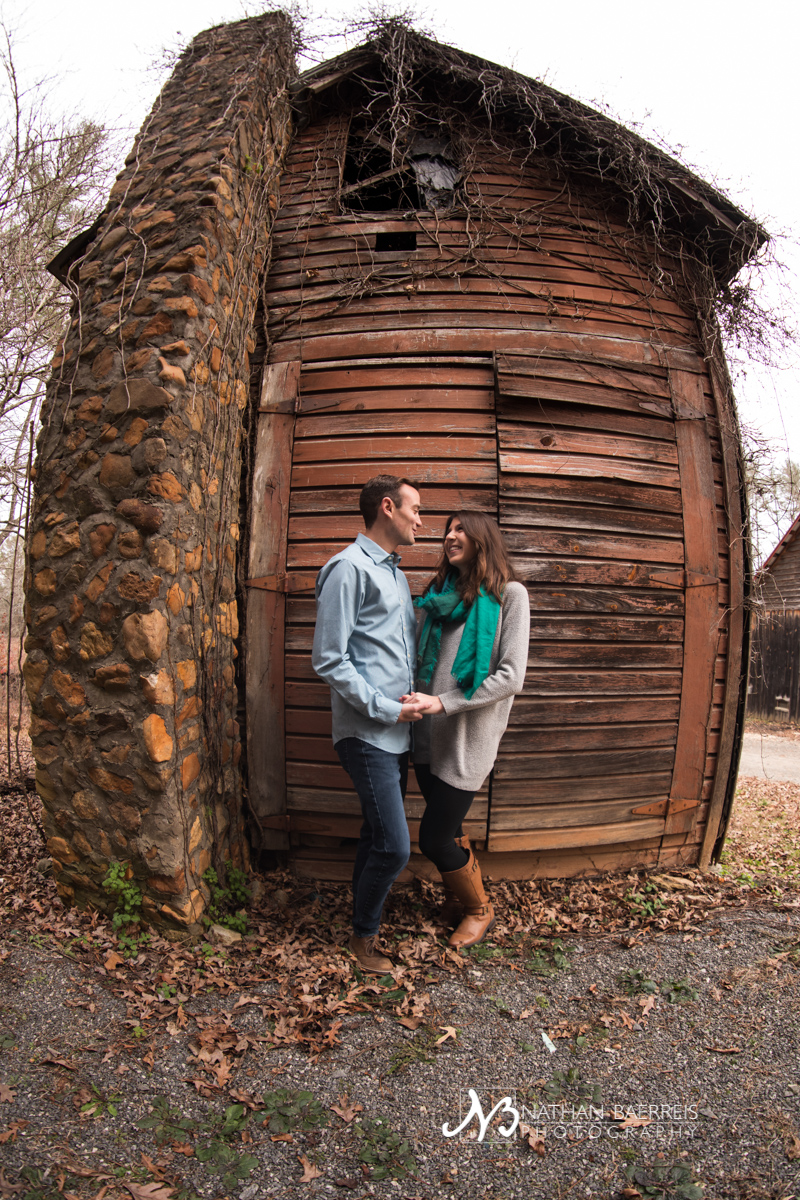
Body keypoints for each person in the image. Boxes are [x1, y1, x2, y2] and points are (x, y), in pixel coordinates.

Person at [311, 475, 426, 975]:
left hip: (397, 734)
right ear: (387, 507)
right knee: (396, 846)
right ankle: (364, 939)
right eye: (416, 509)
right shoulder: (348, 569)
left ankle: (361, 924)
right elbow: (330, 660)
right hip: (367, 733)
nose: (421, 520)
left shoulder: (395, 575)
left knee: (376, 836)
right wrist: (386, 708)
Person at [407, 511, 530, 949]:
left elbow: (511, 675)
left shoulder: (509, 595)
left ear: (482, 539)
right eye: (447, 530)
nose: (449, 536)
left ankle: (479, 909)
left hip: (466, 739)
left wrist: (444, 702)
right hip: (426, 735)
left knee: (434, 836)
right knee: (451, 830)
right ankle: (459, 897)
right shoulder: (439, 596)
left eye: (461, 529)